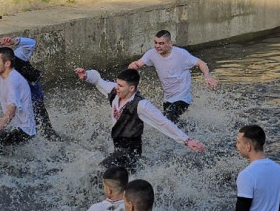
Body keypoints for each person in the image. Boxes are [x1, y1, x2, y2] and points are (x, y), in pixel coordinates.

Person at [74, 66, 205, 167]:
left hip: (131, 152)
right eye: (117, 84)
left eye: (120, 86)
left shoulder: (142, 105)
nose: (116, 88)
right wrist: (87, 75)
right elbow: (98, 80)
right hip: (118, 148)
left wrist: (187, 141)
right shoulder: (115, 92)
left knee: (102, 171)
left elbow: (163, 122)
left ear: (131, 89)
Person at [127, 29, 218, 121]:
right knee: (170, 124)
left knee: (167, 120)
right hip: (167, 99)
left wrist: (208, 77)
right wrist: (133, 66)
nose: (157, 46)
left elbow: (201, 63)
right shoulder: (151, 53)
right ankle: (189, 130)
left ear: (170, 43)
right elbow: (138, 63)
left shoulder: (181, 54)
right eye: (156, 43)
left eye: (161, 43)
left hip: (183, 98)